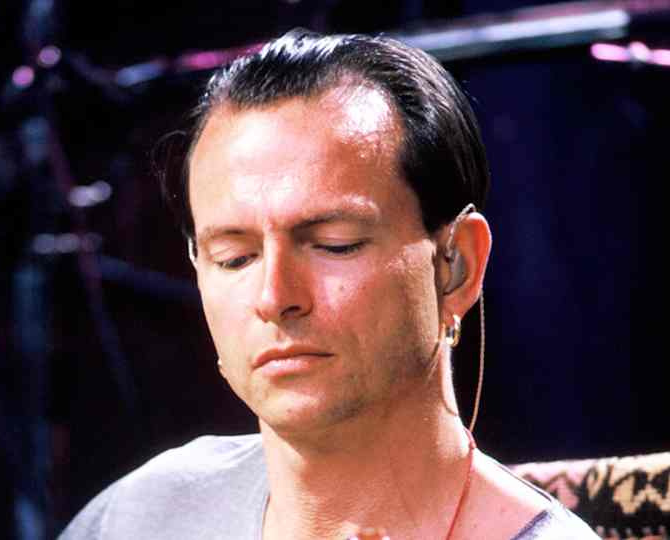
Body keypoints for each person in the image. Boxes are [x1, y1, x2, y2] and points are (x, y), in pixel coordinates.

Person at [60, 30, 598, 539]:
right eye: (234, 258)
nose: (274, 298)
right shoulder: (144, 515)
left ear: (456, 266)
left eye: (335, 244)